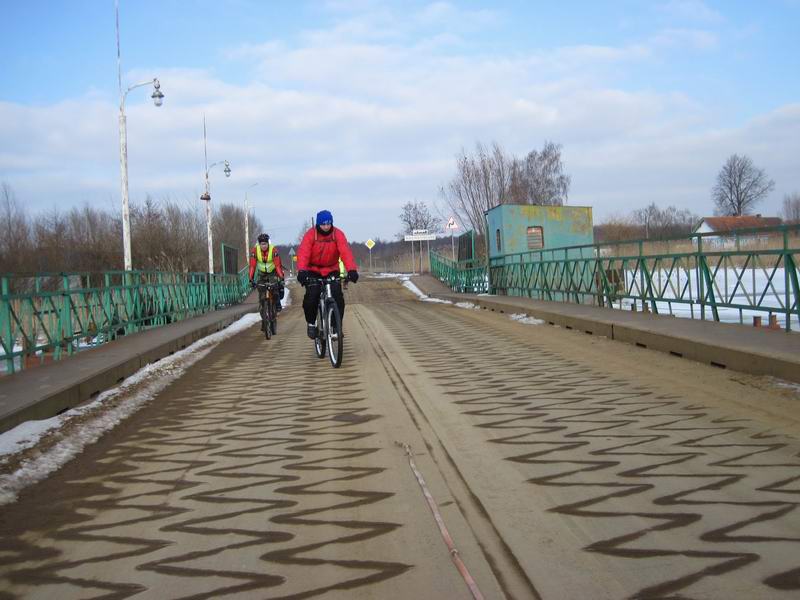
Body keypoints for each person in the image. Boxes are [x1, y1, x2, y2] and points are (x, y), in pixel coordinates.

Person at [296, 210, 358, 339]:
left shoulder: (338, 234)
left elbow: (345, 252)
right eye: (323, 224)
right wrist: (302, 271)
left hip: (331, 269)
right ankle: (312, 323)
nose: (326, 227)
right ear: (318, 224)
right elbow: (304, 253)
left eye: (329, 223)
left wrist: (351, 270)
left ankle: (336, 327)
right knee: (311, 296)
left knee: (338, 297)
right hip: (312, 270)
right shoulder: (310, 235)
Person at [248, 233, 285, 319]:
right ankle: (262, 308)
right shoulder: (255, 251)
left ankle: (277, 305)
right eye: (262, 244)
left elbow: (278, 266)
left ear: (268, 243)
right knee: (261, 290)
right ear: (259, 244)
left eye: (265, 243)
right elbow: (252, 266)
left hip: (273, 272)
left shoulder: (273, 250)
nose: (263, 246)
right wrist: (250, 279)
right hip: (262, 273)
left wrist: (281, 278)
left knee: (274, 288)